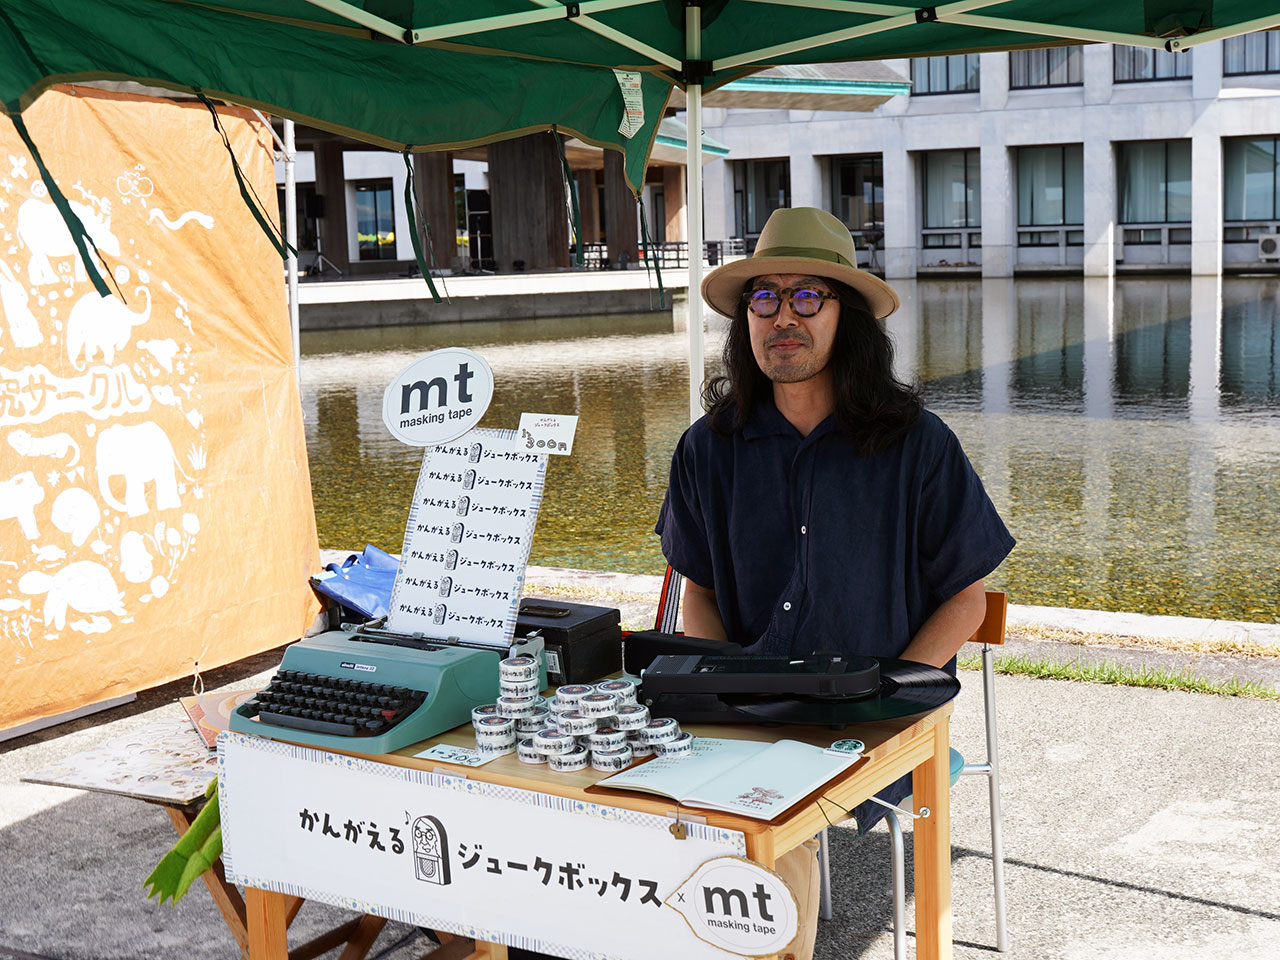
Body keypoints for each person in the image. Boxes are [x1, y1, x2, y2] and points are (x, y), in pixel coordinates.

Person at [654, 206, 1015, 959]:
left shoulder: (918, 445)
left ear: (844, 317)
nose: (782, 317)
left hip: (876, 711)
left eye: (807, 297)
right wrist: (719, 699)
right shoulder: (706, 450)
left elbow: (966, 595)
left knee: (758, 837)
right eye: (764, 299)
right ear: (744, 322)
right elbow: (703, 593)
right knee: (643, 803)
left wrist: (894, 698)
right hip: (751, 709)